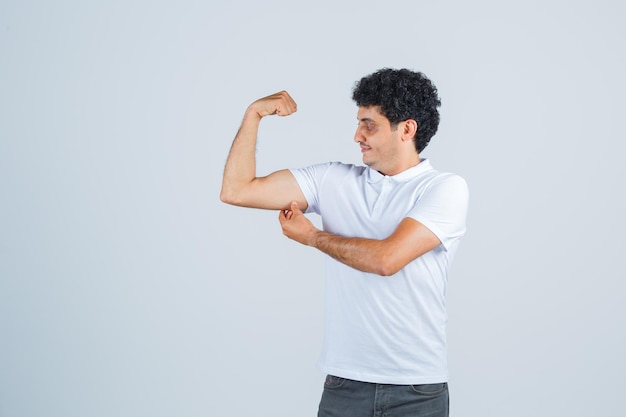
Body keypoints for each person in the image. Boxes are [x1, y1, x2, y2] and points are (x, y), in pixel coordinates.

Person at [220, 68, 469, 417]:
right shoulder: (332, 180)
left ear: (407, 129)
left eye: (369, 125)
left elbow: (387, 260)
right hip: (344, 386)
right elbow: (237, 190)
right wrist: (253, 115)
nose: (357, 135)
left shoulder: (443, 189)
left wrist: (312, 236)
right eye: (358, 123)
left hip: (417, 389)